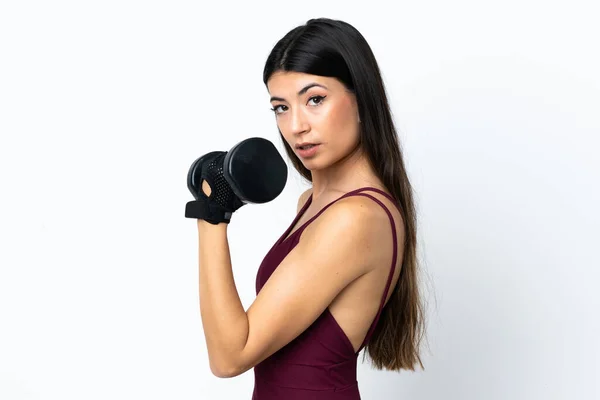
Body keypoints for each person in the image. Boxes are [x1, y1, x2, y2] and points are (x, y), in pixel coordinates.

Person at [196, 17, 426, 399]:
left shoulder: (355, 218)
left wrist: (211, 215)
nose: (296, 125)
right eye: (281, 107)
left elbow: (229, 356)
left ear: (360, 99)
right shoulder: (314, 203)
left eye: (315, 99)